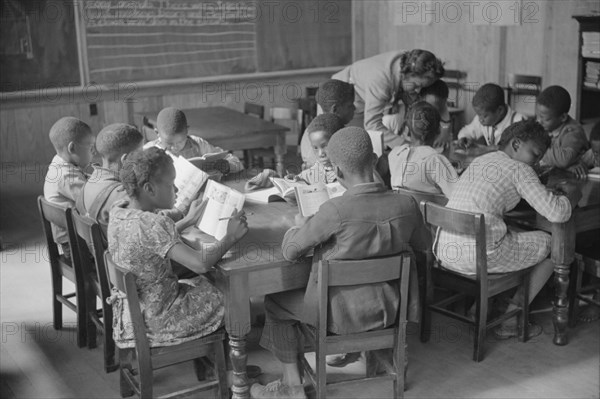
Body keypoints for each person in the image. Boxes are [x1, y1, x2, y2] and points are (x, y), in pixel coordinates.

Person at [250, 127, 431, 399]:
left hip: (339, 315)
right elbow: (425, 244)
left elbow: (291, 252)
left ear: (336, 169)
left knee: (275, 301)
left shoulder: (334, 210)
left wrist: (299, 226)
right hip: (390, 306)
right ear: (374, 158)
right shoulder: (407, 204)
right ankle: (384, 361)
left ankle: (293, 386)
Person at [435, 119, 581, 338]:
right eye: (535, 154)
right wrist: (573, 194)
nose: (537, 163)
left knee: (504, 234)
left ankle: (477, 310)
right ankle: (511, 319)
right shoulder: (520, 169)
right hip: (479, 257)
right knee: (554, 245)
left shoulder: (481, 160)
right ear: (516, 144)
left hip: (446, 251)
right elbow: (557, 213)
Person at [106, 147, 248, 348]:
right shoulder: (154, 225)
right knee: (235, 292)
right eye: (172, 185)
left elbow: (150, 240)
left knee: (207, 283)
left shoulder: (119, 210)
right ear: (149, 189)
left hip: (131, 313)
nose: (178, 190)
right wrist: (230, 236)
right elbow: (200, 264)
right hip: (159, 320)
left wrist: (188, 220)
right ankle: (235, 365)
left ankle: (213, 354)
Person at [332, 49, 445, 149]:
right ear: (405, 75)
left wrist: (445, 128)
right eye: (416, 85)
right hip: (339, 97)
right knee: (347, 148)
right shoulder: (381, 80)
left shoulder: (413, 62)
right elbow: (372, 125)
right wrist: (408, 147)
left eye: (423, 87)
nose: (418, 91)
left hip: (363, 96)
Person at [76, 123, 143, 237]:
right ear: (126, 160)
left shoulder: (89, 182)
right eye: (140, 156)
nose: (143, 161)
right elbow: (154, 229)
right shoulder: (122, 196)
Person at [43, 117, 95, 260]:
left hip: (74, 241)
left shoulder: (60, 164)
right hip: (78, 247)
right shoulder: (66, 176)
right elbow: (93, 201)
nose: (93, 152)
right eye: (90, 147)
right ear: (72, 148)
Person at [387, 101, 458, 197]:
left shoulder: (395, 155)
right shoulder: (436, 161)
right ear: (438, 130)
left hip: (401, 210)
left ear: (407, 129)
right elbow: (458, 197)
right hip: (430, 212)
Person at [144, 107, 244, 174]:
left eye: (180, 142)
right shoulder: (148, 151)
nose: (174, 147)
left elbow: (237, 163)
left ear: (187, 131)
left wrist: (227, 166)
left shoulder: (197, 144)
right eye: (169, 143)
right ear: (157, 133)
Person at [300, 79, 355, 167]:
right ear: (335, 109)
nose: (354, 108)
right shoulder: (326, 133)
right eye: (350, 105)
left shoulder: (316, 128)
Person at [535, 85, 589, 169]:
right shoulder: (545, 126)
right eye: (537, 116)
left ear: (563, 117)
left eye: (545, 119)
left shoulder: (573, 131)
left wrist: (536, 148)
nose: (539, 121)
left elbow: (564, 160)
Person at [457, 83, 525, 149]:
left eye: (484, 116)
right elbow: (467, 131)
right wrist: (464, 138)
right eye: (478, 115)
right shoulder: (482, 118)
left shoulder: (519, 121)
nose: (480, 120)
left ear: (500, 110)